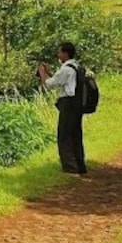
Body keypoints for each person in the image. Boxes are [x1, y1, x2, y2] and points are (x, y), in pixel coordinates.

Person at [38, 42, 86, 175]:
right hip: (77, 105)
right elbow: (65, 82)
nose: (58, 55)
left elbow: (49, 84)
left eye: (59, 52)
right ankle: (80, 165)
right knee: (76, 134)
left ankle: (70, 167)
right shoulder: (77, 67)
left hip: (68, 104)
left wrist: (42, 74)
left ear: (65, 53)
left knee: (64, 135)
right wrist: (50, 73)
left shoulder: (66, 69)